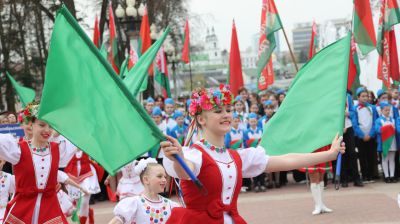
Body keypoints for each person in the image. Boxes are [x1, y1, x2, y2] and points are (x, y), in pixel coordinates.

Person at [160, 85, 345, 223]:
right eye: (218, 111)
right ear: (201, 119)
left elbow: (286, 160)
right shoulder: (193, 154)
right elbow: (186, 170)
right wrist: (178, 158)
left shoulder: (238, 157)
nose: (226, 115)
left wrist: (328, 155)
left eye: (228, 110)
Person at [0, 102, 78, 224]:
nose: (47, 130)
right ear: (31, 125)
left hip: (50, 209)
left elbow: (81, 135)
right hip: (23, 209)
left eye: (50, 126)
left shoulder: (58, 149)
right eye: (42, 125)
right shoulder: (19, 150)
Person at [109, 158, 180, 224]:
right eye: (159, 176)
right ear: (146, 180)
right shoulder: (134, 204)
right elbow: (116, 221)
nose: (164, 180)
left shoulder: (170, 205)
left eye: (165, 176)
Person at [64, 149, 101, 223]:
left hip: (87, 174)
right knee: (80, 204)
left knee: (84, 202)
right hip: (73, 175)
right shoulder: (69, 145)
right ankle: (89, 212)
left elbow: (97, 155)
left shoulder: (87, 144)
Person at [353, 87, 378, 184]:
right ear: (358, 97)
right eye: (362, 96)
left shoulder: (373, 108)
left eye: (366, 96)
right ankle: (364, 175)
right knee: (362, 157)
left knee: (371, 156)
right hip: (360, 137)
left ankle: (371, 175)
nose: (365, 98)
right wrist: (362, 135)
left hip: (370, 136)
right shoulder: (355, 109)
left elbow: (375, 122)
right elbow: (355, 124)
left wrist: (371, 134)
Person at [376, 101, 398, 183]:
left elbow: (395, 130)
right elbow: (377, 130)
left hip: (392, 142)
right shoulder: (379, 120)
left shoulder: (393, 119)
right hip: (384, 143)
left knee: (392, 159)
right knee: (385, 159)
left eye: (389, 110)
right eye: (386, 110)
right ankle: (386, 176)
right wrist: (387, 128)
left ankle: (392, 176)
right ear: (381, 111)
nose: (388, 112)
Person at [244, 113, 265, 192]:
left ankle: (262, 184)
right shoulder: (246, 132)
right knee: (254, 168)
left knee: (261, 167)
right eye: (251, 121)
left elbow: (263, 140)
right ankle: (256, 184)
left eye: (254, 121)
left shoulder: (261, 130)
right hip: (252, 152)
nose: (253, 123)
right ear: (249, 122)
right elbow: (246, 143)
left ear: (257, 121)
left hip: (260, 151)